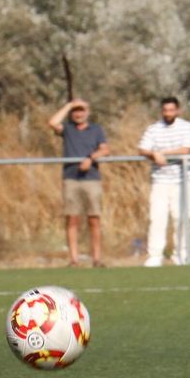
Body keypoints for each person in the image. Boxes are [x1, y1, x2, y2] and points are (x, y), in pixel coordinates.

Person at [137, 96, 190, 267]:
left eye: (172, 110)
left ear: (177, 111)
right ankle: (155, 255)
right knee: (157, 218)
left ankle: (181, 254)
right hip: (160, 180)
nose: (168, 113)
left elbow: (186, 149)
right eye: (165, 110)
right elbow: (143, 148)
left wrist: (162, 153)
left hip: (182, 180)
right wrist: (153, 154)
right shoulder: (154, 129)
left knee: (182, 217)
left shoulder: (186, 127)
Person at [48, 98, 110, 267]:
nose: (78, 114)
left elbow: (105, 149)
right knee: (72, 218)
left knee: (94, 218)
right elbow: (52, 122)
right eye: (75, 110)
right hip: (71, 178)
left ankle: (96, 258)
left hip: (91, 178)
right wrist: (68, 104)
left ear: (87, 112)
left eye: (81, 110)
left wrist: (90, 159)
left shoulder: (96, 130)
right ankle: (73, 259)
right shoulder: (67, 129)